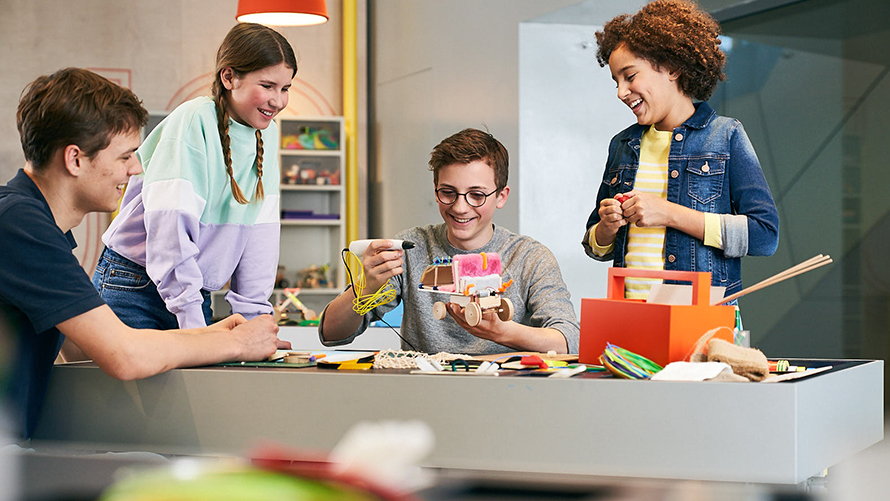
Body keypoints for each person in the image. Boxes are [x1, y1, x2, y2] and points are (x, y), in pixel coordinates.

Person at [0, 68, 288, 440]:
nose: (136, 169)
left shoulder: (35, 223)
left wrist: (209, 336)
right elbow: (124, 354)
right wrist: (233, 342)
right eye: (125, 157)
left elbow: (79, 344)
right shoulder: (19, 224)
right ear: (74, 159)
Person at [93, 23, 296, 329]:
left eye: (285, 89)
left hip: (192, 290)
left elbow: (261, 233)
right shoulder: (193, 121)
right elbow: (169, 233)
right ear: (229, 77)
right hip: (136, 285)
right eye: (267, 86)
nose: (277, 101)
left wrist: (255, 319)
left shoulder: (267, 135)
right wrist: (192, 321)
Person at [582, 0, 779, 300]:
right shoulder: (622, 145)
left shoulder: (725, 137)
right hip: (629, 317)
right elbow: (595, 245)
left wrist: (669, 214)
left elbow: (765, 235)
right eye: (616, 81)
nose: (621, 92)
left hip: (700, 319)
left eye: (630, 76)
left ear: (672, 68)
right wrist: (606, 227)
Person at [319, 128, 580, 354]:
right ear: (436, 189)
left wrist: (503, 333)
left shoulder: (529, 258)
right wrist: (363, 287)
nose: (460, 207)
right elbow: (331, 334)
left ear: (501, 196)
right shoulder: (411, 248)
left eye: (476, 195)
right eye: (448, 193)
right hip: (426, 397)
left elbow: (569, 340)